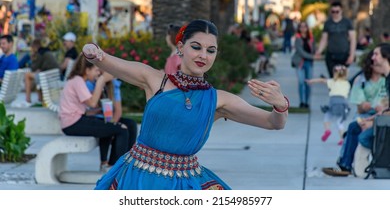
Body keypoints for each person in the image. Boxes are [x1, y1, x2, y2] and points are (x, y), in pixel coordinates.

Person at [82, 19, 289, 190]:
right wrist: (93, 52)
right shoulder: (155, 80)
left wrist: (280, 105)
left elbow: (273, 123)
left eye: (211, 50)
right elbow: (107, 61)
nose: (203, 55)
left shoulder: (218, 100)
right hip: (138, 179)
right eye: (196, 47)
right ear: (180, 47)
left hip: (185, 184)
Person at [59, 53, 131, 172]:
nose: (98, 73)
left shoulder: (77, 81)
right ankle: (116, 170)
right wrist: (101, 81)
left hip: (75, 121)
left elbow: (91, 104)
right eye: (96, 70)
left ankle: (108, 165)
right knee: (121, 129)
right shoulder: (78, 81)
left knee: (109, 125)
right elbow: (92, 103)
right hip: (73, 124)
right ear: (87, 70)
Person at [322, 50, 388, 176]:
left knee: (357, 129)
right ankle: (345, 164)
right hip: (369, 115)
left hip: (383, 117)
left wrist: (375, 113)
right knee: (354, 127)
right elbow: (360, 107)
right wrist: (370, 108)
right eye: (373, 62)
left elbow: (384, 108)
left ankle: (347, 164)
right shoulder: (361, 80)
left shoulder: (387, 80)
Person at [85, 72, 138, 171]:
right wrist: (100, 83)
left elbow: (118, 111)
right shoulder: (90, 84)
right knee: (115, 128)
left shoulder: (114, 85)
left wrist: (113, 123)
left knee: (130, 124)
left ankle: (126, 161)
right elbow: (91, 106)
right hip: (94, 118)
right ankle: (111, 164)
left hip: (109, 117)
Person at [306, 65, 351, 145]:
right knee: (339, 122)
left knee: (327, 117)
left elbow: (321, 80)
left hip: (333, 103)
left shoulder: (331, 81)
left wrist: (311, 81)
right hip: (343, 104)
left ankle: (327, 130)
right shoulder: (347, 84)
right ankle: (342, 139)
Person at [315, 1, 356, 78]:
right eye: (333, 12)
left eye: (337, 12)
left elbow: (353, 39)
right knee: (333, 78)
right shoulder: (328, 23)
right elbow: (324, 39)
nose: (335, 14)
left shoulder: (347, 22)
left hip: (344, 54)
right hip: (331, 55)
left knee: (341, 79)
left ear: (341, 11)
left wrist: (352, 55)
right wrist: (319, 51)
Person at [24, 39, 60, 106]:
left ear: (35, 46)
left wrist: (32, 59)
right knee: (36, 76)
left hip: (48, 77)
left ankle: (28, 99)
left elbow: (34, 68)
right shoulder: (46, 51)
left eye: (32, 47)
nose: (32, 49)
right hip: (52, 75)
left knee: (27, 75)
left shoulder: (40, 53)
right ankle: (40, 99)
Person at [291, 22, 318, 108]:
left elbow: (314, 49)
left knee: (308, 83)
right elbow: (301, 52)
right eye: (301, 27)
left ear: (307, 28)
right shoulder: (297, 39)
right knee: (301, 82)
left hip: (309, 63)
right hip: (300, 63)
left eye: (304, 27)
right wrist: (312, 56)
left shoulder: (311, 38)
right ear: (299, 28)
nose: (303, 29)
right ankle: (302, 102)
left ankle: (307, 102)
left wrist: (316, 52)